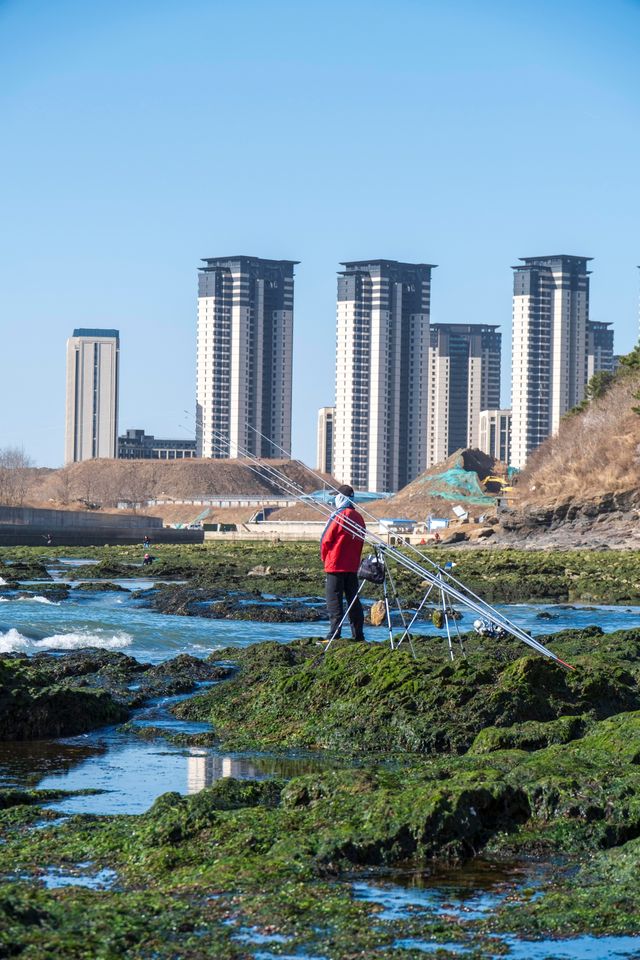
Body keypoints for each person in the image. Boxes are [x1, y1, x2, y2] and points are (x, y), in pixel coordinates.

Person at [321, 484, 366, 642]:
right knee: (353, 599)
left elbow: (325, 539)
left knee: (334, 600)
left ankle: (334, 634)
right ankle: (358, 634)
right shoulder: (359, 517)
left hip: (335, 565)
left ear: (341, 498)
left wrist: (325, 559)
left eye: (336, 496)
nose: (334, 499)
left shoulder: (339, 515)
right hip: (352, 566)